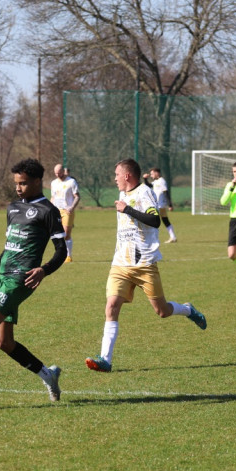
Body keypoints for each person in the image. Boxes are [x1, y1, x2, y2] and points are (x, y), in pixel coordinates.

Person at [84, 158, 206, 373]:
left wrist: (128, 209)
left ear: (127, 176)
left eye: (117, 175)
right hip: (120, 263)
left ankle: (188, 310)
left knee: (162, 311)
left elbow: (155, 220)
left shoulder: (144, 193)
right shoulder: (123, 195)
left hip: (144, 264)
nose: (114, 179)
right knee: (111, 306)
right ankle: (105, 360)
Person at [0, 158, 67, 409]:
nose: (18, 188)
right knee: (4, 343)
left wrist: (44, 270)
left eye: (23, 183)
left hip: (21, 280)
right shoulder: (12, 208)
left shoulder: (48, 211)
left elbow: (61, 251)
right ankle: (48, 375)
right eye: (16, 183)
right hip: (4, 277)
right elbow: (9, 248)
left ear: (36, 182)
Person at [50, 164, 79, 261]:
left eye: (59, 173)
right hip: (56, 210)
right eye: (56, 173)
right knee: (58, 234)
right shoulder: (53, 183)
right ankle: (60, 255)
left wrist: (72, 207)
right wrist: (49, 208)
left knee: (66, 234)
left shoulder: (71, 182)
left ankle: (68, 256)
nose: (58, 175)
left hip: (67, 211)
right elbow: (53, 197)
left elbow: (77, 196)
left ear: (63, 171)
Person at [142, 168, 177, 243]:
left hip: (160, 205)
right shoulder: (156, 181)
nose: (151, 175)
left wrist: (170, 205)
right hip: (158, 205)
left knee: (152, 220)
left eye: (152, 174)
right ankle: (173, 237)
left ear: (156, 173)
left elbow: (166, 193)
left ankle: (151, 238)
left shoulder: (162, 181)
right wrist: (145, 179)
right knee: (165, 220)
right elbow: (149, 185)